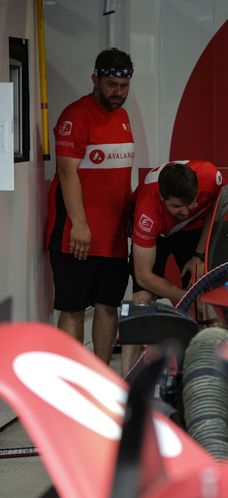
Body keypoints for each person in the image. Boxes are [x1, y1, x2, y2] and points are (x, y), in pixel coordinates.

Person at [45, 48, 135, 364]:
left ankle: (101, 375)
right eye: (111, 84)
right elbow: (68, 173)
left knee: (108, 306)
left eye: (124, 86)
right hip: (76, 236)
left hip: (112, 240)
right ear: (94, 79)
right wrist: (80, 225)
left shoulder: (122, 116)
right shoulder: (75, 116)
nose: (118, 93)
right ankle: (71, 380)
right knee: (72, 309)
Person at [122, 160, 223, 372]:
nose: (185, 211)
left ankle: (215, 365)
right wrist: (183, 295)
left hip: (191, 231)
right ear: (162, 197)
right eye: (177, 206)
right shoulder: (146, 211)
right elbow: (143, 276)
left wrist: (199, 254)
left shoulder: (210, 176)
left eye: (191, 203)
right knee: (142, 300)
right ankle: (127, 377)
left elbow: (216, 211)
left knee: (204, 287)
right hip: (157, 234)